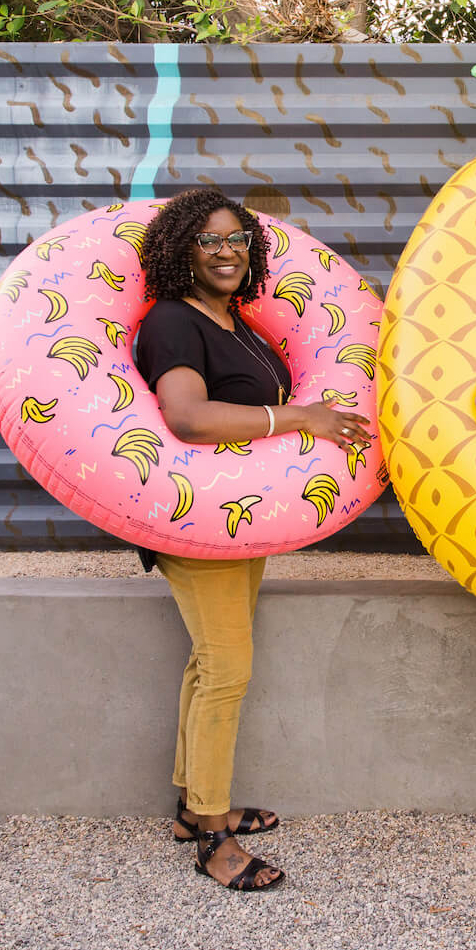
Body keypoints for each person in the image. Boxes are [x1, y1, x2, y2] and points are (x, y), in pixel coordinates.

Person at [133, 187, 371, 892]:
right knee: (229, 669)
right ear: (183, 251)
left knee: (211, 663)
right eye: (210, 241)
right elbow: (190, 418)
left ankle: (191, 804)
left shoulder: (236, 323)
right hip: (193, 520)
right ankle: (212, 835)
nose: (227, 251)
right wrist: (301, 417)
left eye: (237, 238)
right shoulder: (174, 323)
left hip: (237, 519)